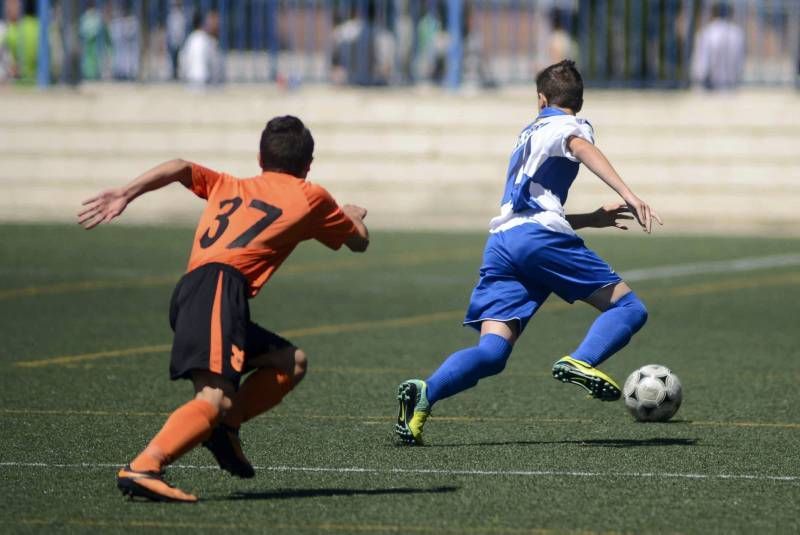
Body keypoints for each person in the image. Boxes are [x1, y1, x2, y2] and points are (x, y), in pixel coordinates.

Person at [78, 116, 370, 502]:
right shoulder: (310, 196)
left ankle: (225, 428)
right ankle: (145, 466)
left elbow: (180, 166)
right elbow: (359, 242)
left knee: (290, 362)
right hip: (218, 289)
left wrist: (126, 193)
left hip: (198, 292)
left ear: (260, 157)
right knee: (212, 399)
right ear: (308, 165)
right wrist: (351, 215)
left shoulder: (229, 184)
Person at [395, 60, 662, 445]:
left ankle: (425, 393)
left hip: (503, 242)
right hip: (539, 239)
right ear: (579, 103)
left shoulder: (527, 133)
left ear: (541, 99)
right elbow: (580, 146)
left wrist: (589, 218)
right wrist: (629, 194)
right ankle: (581, 360)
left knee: (492, 352)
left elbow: (530, 208)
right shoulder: (571, 125)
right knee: (629, 308)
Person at [690, 2, 745, 91]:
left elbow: (701, 65)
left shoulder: (706, 32)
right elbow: (739, 63)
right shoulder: (737, 33)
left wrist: (698, 84)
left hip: (709, 87)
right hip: (731, 86)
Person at [180, 9, 223, 88]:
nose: (217, 25)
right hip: (205, 84)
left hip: (190, 83)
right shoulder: (207, 41)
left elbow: (183, 61)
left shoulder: (191, 39)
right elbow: (215, 69)